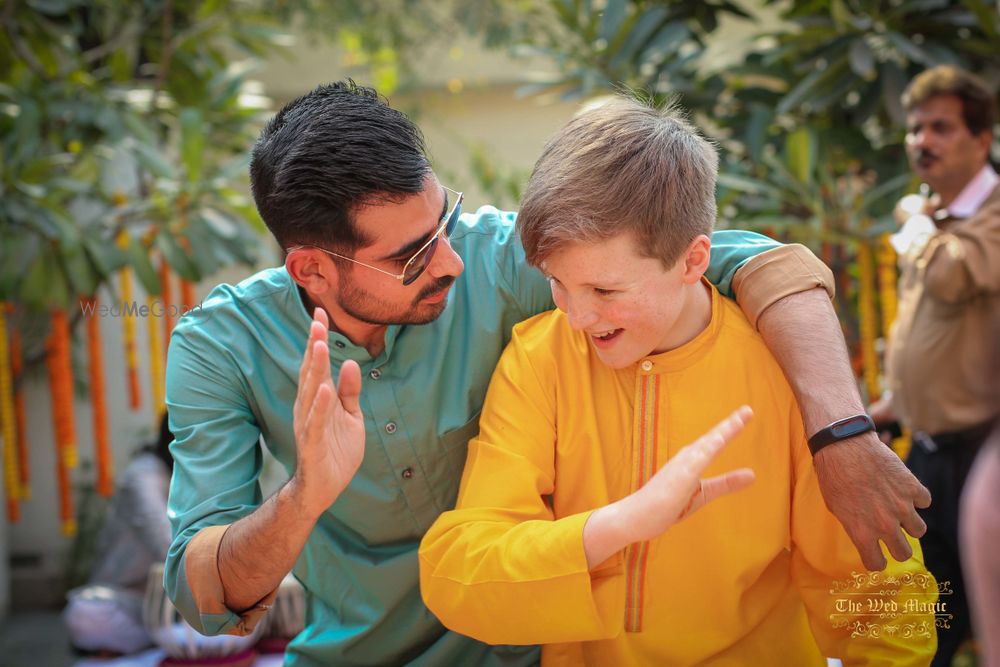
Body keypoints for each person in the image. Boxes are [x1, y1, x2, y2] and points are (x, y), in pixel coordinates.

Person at [165, 81, 930, 666]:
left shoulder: (519, 269)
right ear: (311, 268)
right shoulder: (219, 346)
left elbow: (743, 259)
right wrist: (304, 499)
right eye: (411, 255)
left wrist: (842, 432)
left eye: (447, 224)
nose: (454, 262)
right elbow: (200, 594)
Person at [419, 95, 937, 666]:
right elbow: (459, 577)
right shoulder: (537, 359)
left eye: (605, 290)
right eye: (557, 283)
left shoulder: (782, 367)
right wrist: (618, 526)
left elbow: (880, 602)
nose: (576, 315)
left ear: (693, 262)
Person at [869, 64, 999, 667]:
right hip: (925, 452)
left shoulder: (987, 214)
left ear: (982, 138)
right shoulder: (935, 218)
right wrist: (898, 397)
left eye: (942, 127)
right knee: (928, 623)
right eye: (917, 128)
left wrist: (917, 224)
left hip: (982, 457)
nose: (923, 140)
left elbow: (953, 275)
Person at [63, 414, 173, 655]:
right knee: (86, 615)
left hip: (174, 604)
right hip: (129, 600)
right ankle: (165, 640)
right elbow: (169, 546)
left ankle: (167, 639)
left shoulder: (194, 476)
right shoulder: (143, 476)